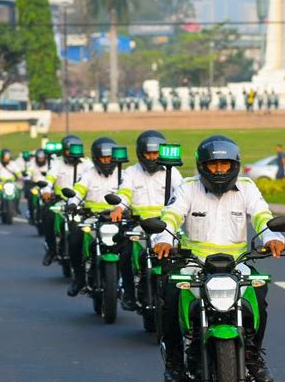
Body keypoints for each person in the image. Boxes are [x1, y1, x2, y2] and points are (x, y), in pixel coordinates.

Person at [153, 135, 285, 382]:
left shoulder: (247, 188)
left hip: (236, 264)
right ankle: (174, 362)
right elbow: (170, 216)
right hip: (195, 264)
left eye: (224, 164)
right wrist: (164, 239)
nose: (219, 170)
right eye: (213, 165)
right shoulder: (187, 188)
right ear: (202, 166)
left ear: (234, 165)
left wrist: (272, 237)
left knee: (259, 294)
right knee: (169, 296)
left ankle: (253, 356)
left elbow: (262, 216)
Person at [110, 130, 183, 311]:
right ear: (140, 154)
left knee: (181, 257)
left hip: (166, 225)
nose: (152, 157)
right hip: (139, 225)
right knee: (125, 253)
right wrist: (119, 207)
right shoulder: (131, 172)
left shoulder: (171, 172)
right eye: (148, 154)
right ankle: (128, 292)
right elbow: (125, 192)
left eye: (155, 153)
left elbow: (183, 194)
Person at [66, 137, 119, 296]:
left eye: (110, 158)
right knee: (74, 239)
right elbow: (77, 191)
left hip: (116, 220)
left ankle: (127, 283)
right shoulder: (88, 174)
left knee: (128, 246)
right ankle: (79, 278)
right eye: (103, 158)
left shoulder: (123, 174)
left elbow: (129, 195)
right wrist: (72, 202)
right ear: (96, 159)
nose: (107, 161)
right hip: (92, 218)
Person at [41, 135, 92, 266]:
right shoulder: (57, 162)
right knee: (48, 216)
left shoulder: (87, 163)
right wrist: (46, 190)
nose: (72, 153)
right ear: (63, 150)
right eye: (69, 150)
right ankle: (52, 250)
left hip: (80, 203)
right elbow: (50, 177)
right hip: (61, 201)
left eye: (75, 150)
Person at [0, 148, 22, 213]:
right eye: (5, 157)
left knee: (18, 190)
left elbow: (18, 172)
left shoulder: (13, 163)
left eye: (8, 157)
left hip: (12, 182)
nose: (7, 159)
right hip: (2, 182)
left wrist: (20, 177)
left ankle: (16, 207)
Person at [25, 148, 49, 222]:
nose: (40, 159)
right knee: (32, 196)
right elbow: (29, 172)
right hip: (35, 185)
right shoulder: (32, 163)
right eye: (39, 158)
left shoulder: (49, 164)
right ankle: (31, 213)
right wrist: (28, 177)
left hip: (46, 186)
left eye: (42, 158)